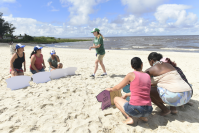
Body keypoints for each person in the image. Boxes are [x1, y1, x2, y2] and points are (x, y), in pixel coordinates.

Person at [106, 57, 153, 125]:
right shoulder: (147, 76)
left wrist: (111, 89)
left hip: (136, 109)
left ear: (132, 66)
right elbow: (141, 92)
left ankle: (128, 118)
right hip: (148, 110)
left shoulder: (131, 75)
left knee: (116, 99)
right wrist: (126, 94)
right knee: (137, 102)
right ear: (142, 64)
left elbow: (118, 87)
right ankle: (142, 117)